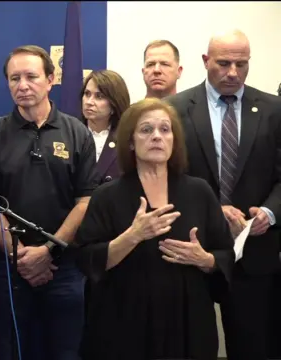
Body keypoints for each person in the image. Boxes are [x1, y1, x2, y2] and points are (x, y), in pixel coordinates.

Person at [75, 98, 234, 360]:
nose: (157, 136)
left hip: (187, 324)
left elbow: (225, 254)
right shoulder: (107, 195)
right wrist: (133, 235)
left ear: (174, 139)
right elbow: (86, 259)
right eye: (146, 130)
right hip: (124, 323)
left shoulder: (199, 191)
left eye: (165, 129)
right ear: (130, 141)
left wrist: (205, 260)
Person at [0, 45, 97, 360]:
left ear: (51, 79)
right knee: (10, 350)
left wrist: (49, 251)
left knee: (65, 352)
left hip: (64, 267)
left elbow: (85, 202)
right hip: (9, 267)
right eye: (14, 78)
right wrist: (21, 256)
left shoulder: (77, 132)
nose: (22, 85)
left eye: (31, 76)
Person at [165, 29, 281, 360]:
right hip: (191, 248)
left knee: (255, 346)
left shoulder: (274, 110)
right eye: (224, 63)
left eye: (241, 64)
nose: (233, 73)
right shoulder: (174, 109)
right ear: (205, 61)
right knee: (191, 347)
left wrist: (269, 213)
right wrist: (213, 209)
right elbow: (167, 178)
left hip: (255, 254)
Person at [80, 70, 130, 184]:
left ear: (114, 103)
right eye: (87, 94)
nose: (89, 101)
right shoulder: (71, 133)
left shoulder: (127, 139)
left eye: (99, 96)